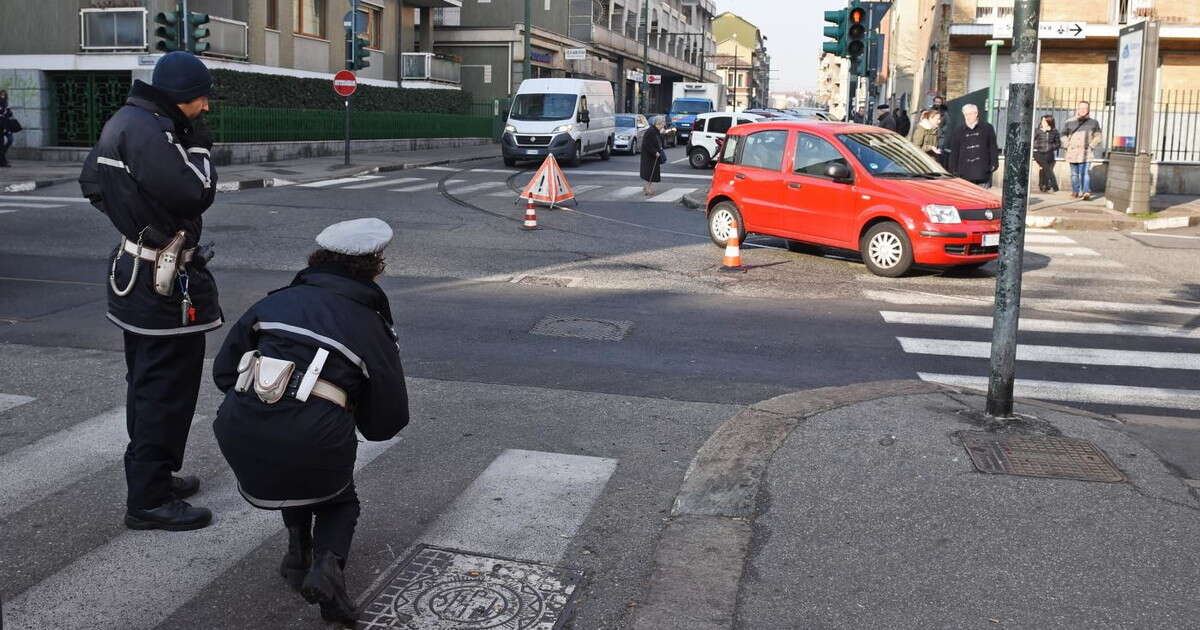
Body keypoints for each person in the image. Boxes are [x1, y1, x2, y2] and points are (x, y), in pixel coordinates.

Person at [212, 218, 409, 626]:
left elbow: (223, 374)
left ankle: (296, 554)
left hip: (239, 428)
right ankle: (326, 567)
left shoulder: (273, 303)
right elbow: (387, 420)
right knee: (338, 498)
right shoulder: (369, 324)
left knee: (298, 466)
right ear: (374, 266)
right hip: (313, 439)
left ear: (317, 260)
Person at [78, 51, 220, 531]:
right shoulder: (155, 131)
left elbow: (92, 184)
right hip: (161, 282)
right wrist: (198, 147)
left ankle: (152, 473)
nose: (205, 108)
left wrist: (135, 223)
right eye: (202, 99)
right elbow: (195, 192)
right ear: (184, 96)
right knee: (165, 389)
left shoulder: (123, 119)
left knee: (146, 382)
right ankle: (149, 499)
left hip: (133, 273)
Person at [947, 103, 998, 188]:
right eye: (966, 114)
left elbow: (992, 147)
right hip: (964, 172)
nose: (968, 116)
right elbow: (955, 151)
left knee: (982, 199)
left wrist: (993, 164)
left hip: (982, 171)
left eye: (970, 114)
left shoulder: (987, 128)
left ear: (976, 113)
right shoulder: (958, 130)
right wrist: (953, 169)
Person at [1062, 101, 1102, 200]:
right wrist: (1067, 144)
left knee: (1085, 173)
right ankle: (1075, 191)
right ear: (1078, 109)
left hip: (1086, 152)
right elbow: (1063, 135)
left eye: (1085, 108)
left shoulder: (1094, 122)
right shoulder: (1069, 121)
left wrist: (1092, 145)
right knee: (1074, 174)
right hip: (1072, 152)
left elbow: (1098, 136)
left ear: (1088, 110)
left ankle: (1086, 192)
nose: (1083, 110)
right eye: (1081, 108)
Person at [1033, 115, 1061, 193]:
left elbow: (1058, 144)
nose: (1042, 122)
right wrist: (1037, 146)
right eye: (1042, 121)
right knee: (1047, 168)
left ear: (1049, 122)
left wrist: (1051, 147)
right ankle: (1054, 185)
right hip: (1038, 152)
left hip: (1049, 153)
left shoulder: (1054, 131)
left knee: (1043, 168)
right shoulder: (1037, 130)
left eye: (1044, 121)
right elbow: (1032, 141)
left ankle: (1042, 185)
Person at [640, 117, 665, 196]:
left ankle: (647, 187)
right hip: (649, 156)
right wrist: (655, 152)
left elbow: (659, 142)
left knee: (651, 172)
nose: (663, 125)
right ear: (659, 123)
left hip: (652, 156)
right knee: (650, 173)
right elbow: (647, 144)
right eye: (663, 123)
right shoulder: (651, 131)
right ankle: (647, 188)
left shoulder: (655, 131)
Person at [0, 89, 14, 167]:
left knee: (10, 140)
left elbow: (10, 114)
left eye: (4, 95)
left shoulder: (6, 104)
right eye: (1, 95)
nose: (3, 96)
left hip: (7, 126)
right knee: (1, 143)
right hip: (1, 126)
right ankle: (2, 160)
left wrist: (8, 111)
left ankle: (2, 155)